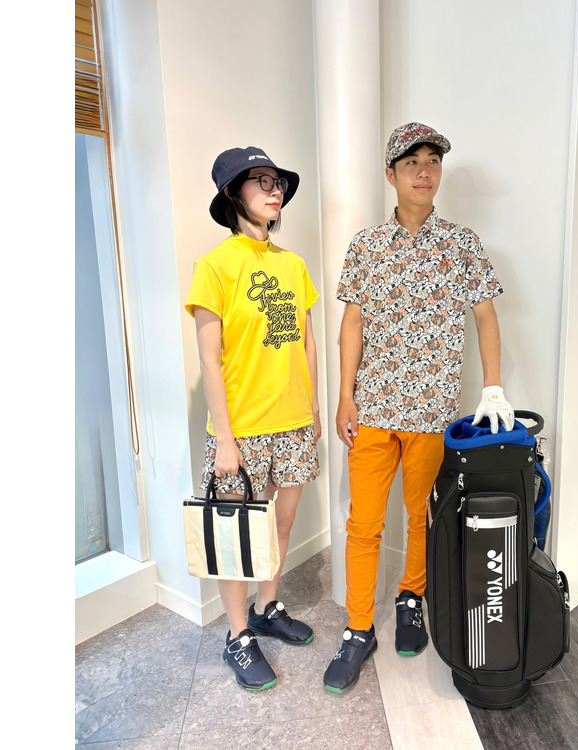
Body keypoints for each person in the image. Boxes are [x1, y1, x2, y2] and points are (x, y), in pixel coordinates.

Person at [323, 123, 514, 693]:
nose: (425, 171)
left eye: (433, 161)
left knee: (420, 515)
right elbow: (352, 323)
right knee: (363, 524)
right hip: (374, 409)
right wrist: (345, 394)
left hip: (432, 411)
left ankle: (411, 598)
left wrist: (493, 388)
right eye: (412, 163)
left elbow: (485, 316)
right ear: (391, 175)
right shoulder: (366, 245)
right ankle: (359, 628)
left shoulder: (462, 244)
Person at [185, 146, 321, 691]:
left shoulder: (292, 264)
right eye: (260, 181)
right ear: (231, 193)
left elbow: (305, 339)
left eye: (277, 181)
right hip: (241, 431)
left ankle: (268, 608)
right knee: (237, 536)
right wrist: (224, 440)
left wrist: (312, 409)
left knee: (280, 525)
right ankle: (238, 636)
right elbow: (209, 360)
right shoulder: (214, 266)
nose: (274, 189)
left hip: (293, 423)